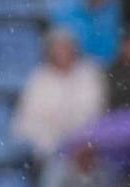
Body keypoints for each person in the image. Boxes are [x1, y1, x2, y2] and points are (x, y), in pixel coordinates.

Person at [13, 28, 106, 156]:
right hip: (48, 147)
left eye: (65, 47)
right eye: (57, 47)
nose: (62, 52)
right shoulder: (39, 77)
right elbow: (28, 118)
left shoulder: (89, 73)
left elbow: (93, 110)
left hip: (85, 146)